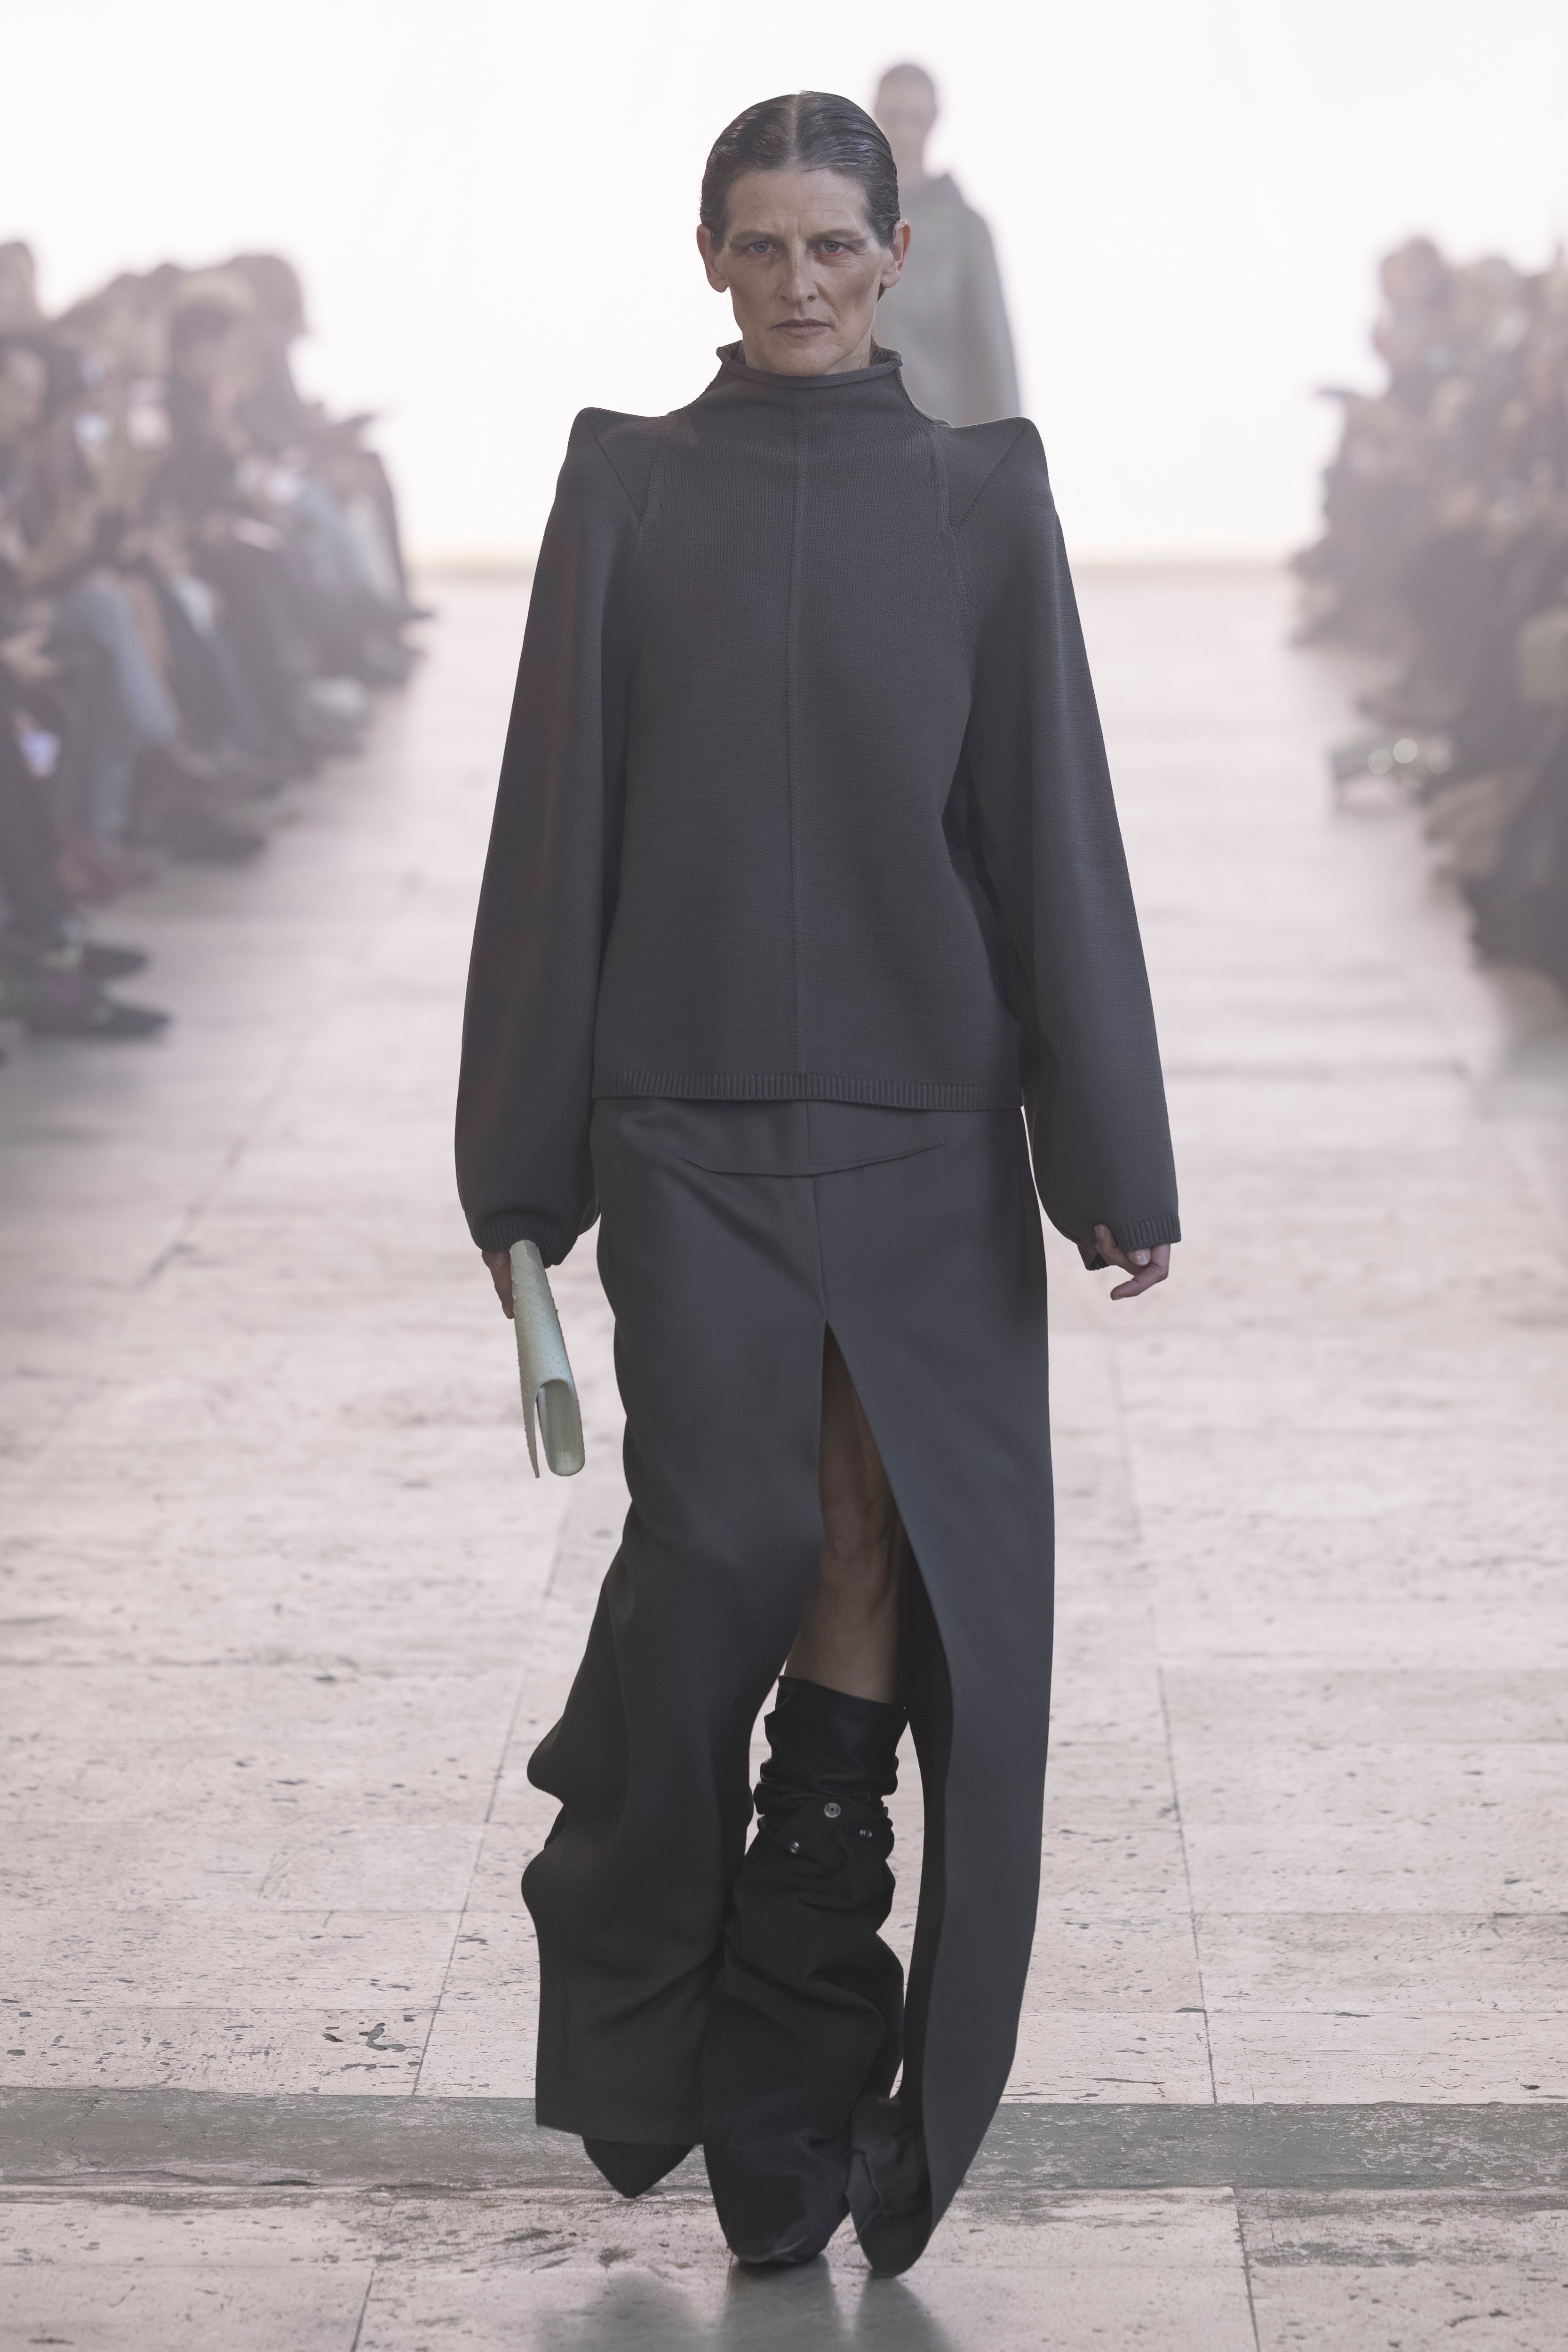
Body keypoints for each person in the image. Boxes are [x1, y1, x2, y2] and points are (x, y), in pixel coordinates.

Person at [456, 90, 1178, 2275]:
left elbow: (1048, 825)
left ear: (894, 257)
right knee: (735, 1534)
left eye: (832, 247)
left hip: (923, 1120)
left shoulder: (982, 496)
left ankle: (790, 2043)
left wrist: (1106, 1151)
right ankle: (635, 1899)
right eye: (760, 244)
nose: (797, 281)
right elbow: (555, 823)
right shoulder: (626, 483)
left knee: (883, 1549)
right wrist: (519, 1163)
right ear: (708, 256)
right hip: (687, 1125)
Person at [871, 62, 1019, 426]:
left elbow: (993, 360)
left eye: (915, 118)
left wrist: (1006, 453)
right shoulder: (847, 221)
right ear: (876, 116)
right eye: (893, 117)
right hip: (854, 438)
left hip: (940, 439)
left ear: (934, 118)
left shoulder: (964, 230)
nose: (904, 132)